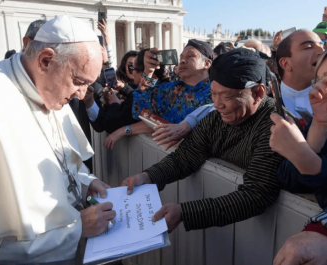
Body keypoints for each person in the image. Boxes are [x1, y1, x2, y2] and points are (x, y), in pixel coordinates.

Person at [0, 15, 116, 263]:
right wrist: (76, 229)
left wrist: (86, 183)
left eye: (88, 84)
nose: (81, 94)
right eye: (78, 82)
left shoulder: (48, 87)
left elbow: (64, 161)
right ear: (45, 60)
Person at [122, 48, 284, 234]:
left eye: (227, 96)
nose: (217, 104)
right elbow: (183, 159)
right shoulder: (214, 119)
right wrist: (147, 177)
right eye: (213, 94)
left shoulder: (275, 126)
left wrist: (185, 212)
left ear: (258, 92)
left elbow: (256, 195)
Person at [270, 50, 327, 265]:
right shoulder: (321, 119)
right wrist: (319, 128)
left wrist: (311, 163)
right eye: (321, 79)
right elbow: (288, 180)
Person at [132, 39, 213, 124]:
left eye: (190, 56)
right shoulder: (168, 90)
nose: (182, 61)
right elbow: (138, 113)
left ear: (207, 63)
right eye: (181, 57)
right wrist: (148, 72)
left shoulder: (218, 94)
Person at [276, 29, 324, 118]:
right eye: (308, 47)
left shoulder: (324, 98)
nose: (322, 51)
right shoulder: (262, 103)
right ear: (286, 64)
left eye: (322, 45)